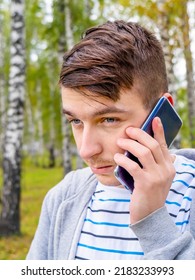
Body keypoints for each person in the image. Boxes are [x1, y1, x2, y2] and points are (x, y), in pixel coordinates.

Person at [26, 20, 195, 260]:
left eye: (108, 120)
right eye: (76, 121)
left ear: (161, 110)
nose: (86, 150)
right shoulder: (63, 197)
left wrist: (154, 221)